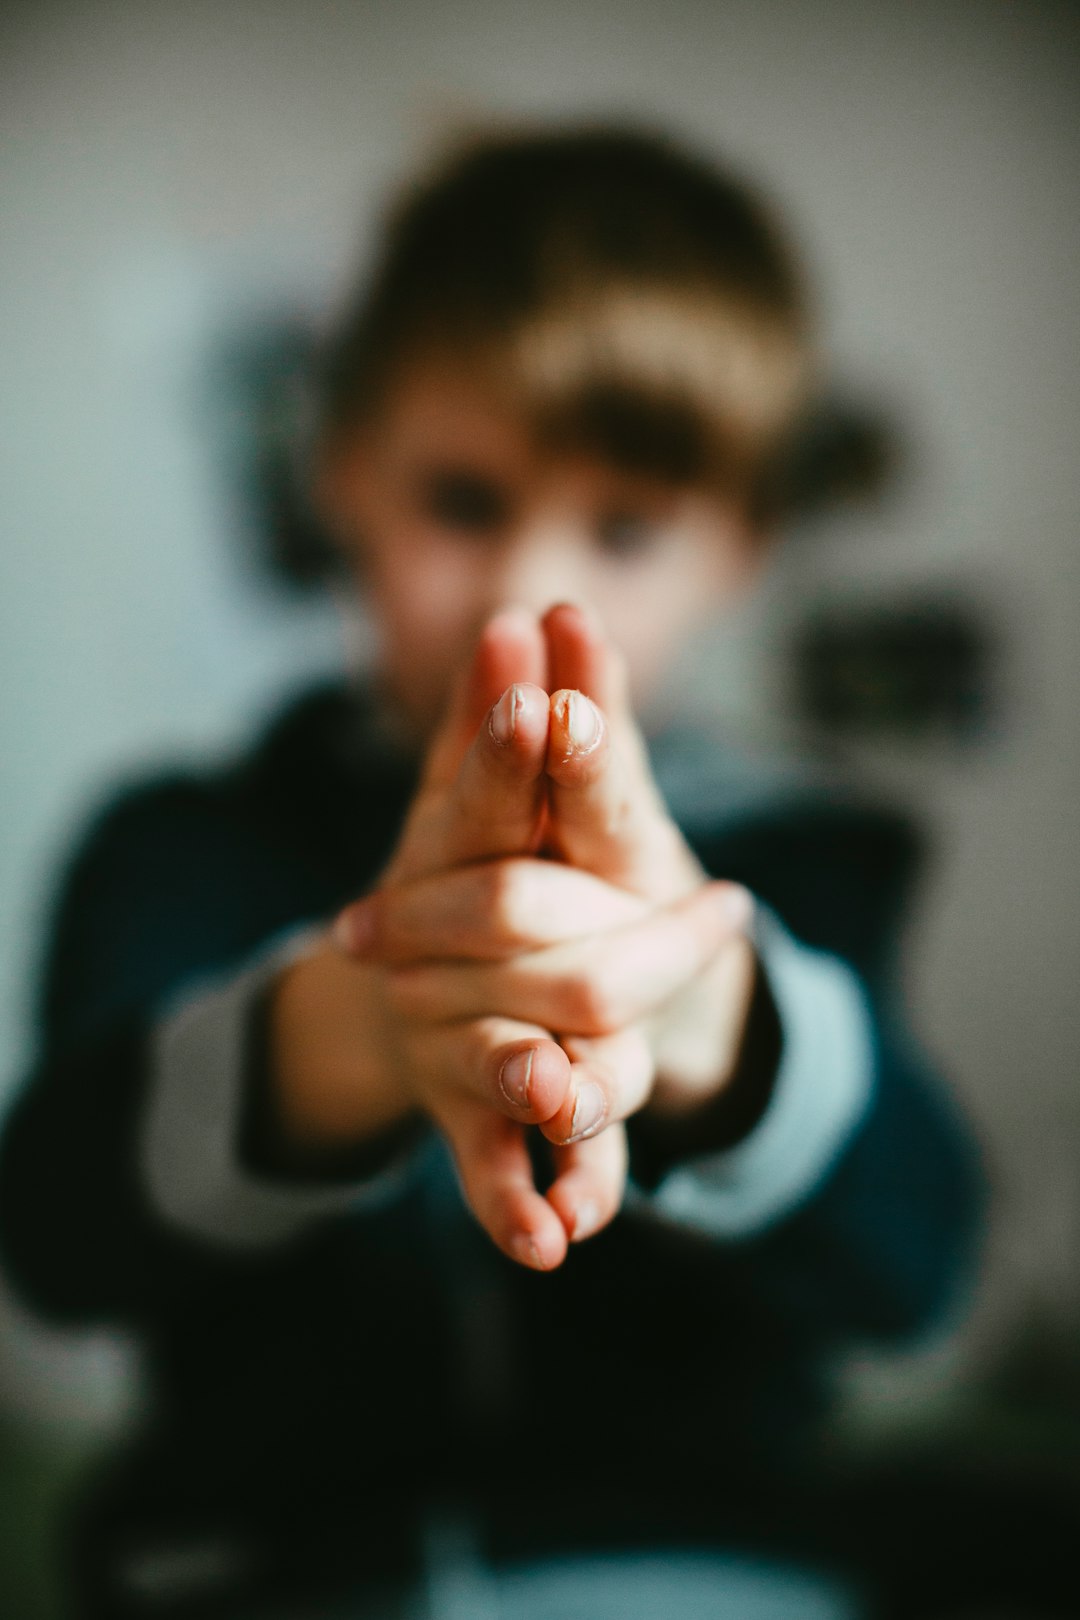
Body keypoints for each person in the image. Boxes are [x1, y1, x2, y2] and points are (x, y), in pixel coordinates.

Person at [0, 124, 982, 1618]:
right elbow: (58, 1234)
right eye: (465, 500)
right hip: (255, 1576)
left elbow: (918, 1264)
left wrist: (715, 1024)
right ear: (343, 475)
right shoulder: (176, 845)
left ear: (744, 553)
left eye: (629, 525)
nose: (531, 589)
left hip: (702, 1569)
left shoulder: (813, 858)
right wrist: (355, 1023)